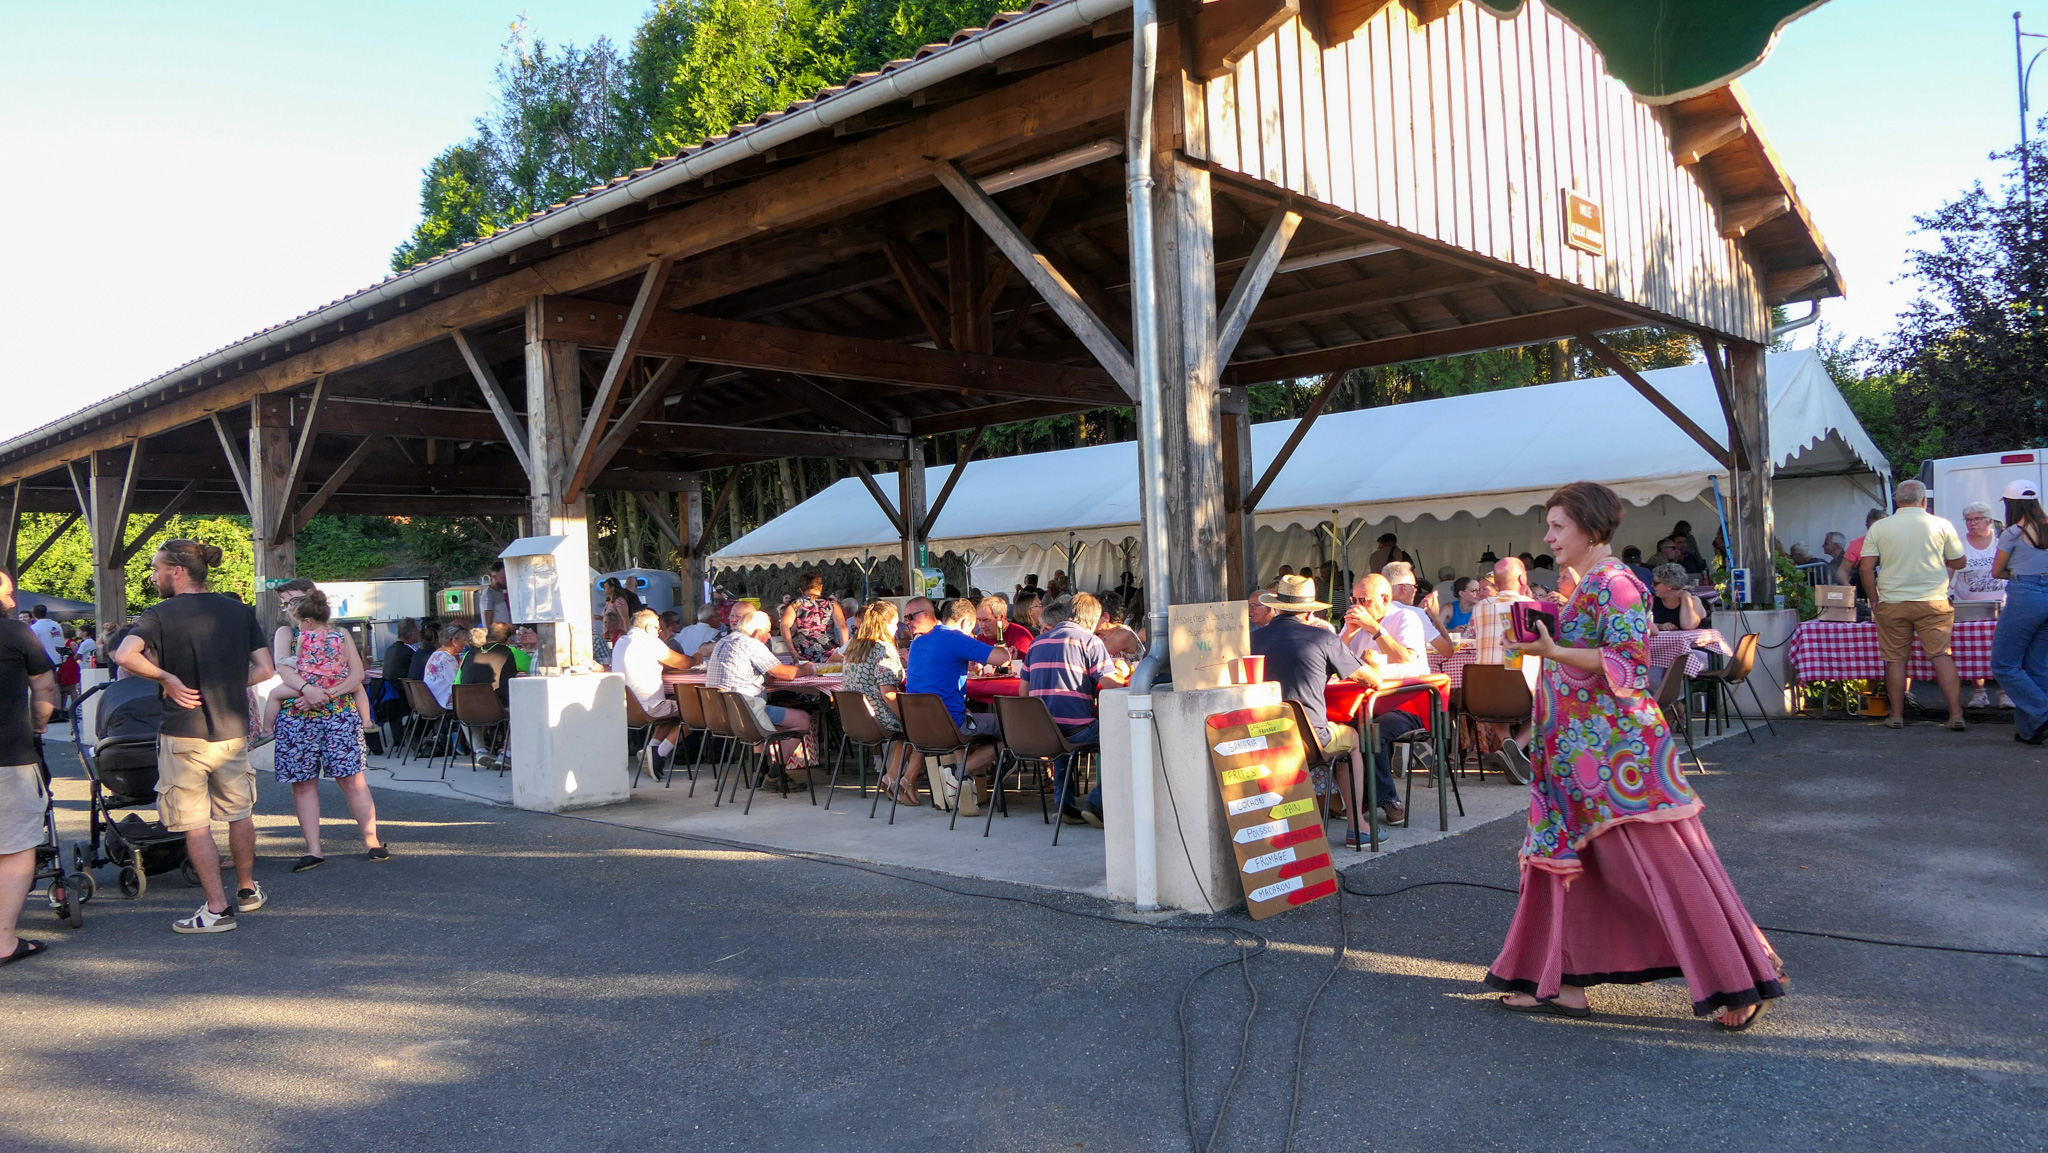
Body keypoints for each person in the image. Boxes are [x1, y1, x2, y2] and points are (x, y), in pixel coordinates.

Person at [1486, 482, 1784, 1028]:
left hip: (1617, 758)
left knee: (1666, 864)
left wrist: (1553, 649)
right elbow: (1587, 657)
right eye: (1549, 525)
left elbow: (1629, 662)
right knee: (1568, 862)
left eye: (1557, 525)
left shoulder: (1617, 583)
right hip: (1578, 755)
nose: (1548, 536)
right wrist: (1553, 637)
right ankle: (1557, 980)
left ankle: (1737, 978)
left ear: (1589, 527)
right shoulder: (1586, 584)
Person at [113, 539, 276, 935]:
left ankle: (217, 909)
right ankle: (247, 889)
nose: (153, 577)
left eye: (155, 569)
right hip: (232, 732)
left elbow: (124, 656)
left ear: (177, 571)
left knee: (196, 822)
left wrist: (167, 678)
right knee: (240, 813)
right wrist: (227, 685)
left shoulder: (159, 614)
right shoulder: (239, 611)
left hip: (182, 733)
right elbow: (266, 668)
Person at [1248, 574, 1405, 843]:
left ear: (1277, 606)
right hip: (1310, 740)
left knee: (1340, 741)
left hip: (1263, 735)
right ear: (1310, 611)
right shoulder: (1322, 637)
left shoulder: (1252, 640)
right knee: (1352, 739)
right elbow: (1373, 680)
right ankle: (1358, 827)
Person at [271, 591, 385, 872]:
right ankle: (314, 849)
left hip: (330, 712)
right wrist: (308, 690)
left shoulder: (340, 634)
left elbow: (356, 675)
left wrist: (324, 694)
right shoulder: (287, 633)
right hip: (304, 714)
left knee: (352, 780)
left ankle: (372, 842)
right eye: (285, 602)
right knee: (304, 783)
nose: (288, 607)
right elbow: (284, 671)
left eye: (292, 601)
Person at [1859, 480, 1967, 730]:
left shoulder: (1879, 527)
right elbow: (1959, 562)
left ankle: (1896, 715)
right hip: (1933, 601)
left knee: (1896, 659)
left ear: (1897, 501)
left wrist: (1874, 599)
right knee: (1941, 656)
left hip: (1892, 601)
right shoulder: (1942, 524)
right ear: (1924, 501)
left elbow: (1866, 567)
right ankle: (1955, 714)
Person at [1025, 593, 1130, 827]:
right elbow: (1111, 684)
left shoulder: (1036, 642)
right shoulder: (1089, 641)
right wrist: (1120, 670)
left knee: (1060, 736)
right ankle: (1096, 802)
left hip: (1043, 732)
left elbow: (1024, 692)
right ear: (1093, 621)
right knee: (1126, 739)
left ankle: (1063, 804)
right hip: (1078, 729)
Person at [904, 597, 1011, 816]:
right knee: (1012, 727)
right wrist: (1005, 652)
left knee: (968, 714)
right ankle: (960, 771)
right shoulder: (955, 638)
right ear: (965, 624)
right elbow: (1002, 659)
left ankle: (962, 782)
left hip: (919, 729)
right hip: (952, 725)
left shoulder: (917, 643)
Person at [0, 568, 58, 965]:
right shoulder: (17, 634)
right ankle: (3, 940)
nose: (11, 594)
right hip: (9, 754)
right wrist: (39, 723)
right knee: (18, 845)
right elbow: (45, 687)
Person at [706, 610, 817, 779]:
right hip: (745, 712)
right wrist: (807, 669)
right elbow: (785, 673)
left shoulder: (724, 641)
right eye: (768, 632)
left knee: (763, 712)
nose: (769, 637)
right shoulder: (751, 644)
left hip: (721, 714)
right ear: (757, 632)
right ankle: (776, 774)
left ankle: (760, 770)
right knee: (802, 719)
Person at [1469, 556, 1539, 777]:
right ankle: (1516, 746)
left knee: (1498, 696)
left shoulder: (1479, 607)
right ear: (1522, 577)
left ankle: (1506, 741)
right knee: (1548, 702)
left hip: (1483, 697)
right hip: (1520, 693)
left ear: (1496, 582)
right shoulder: (1530, 607)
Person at [841, 600, 918, 803]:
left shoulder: (852, 648)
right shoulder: (883, 650)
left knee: (910, 727)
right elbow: (888, 693)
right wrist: (907, 717)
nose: (896, 628)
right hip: (878, 720)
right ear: (885, 624)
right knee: (917, 727)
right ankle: (895, 777)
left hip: (856, 721)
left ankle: (892, 776)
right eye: (895, 624)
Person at [1993, 480, 2048, 743]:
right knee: (2038, 665)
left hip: (2026, 594)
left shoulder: (2012, 533)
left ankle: (2043, 711)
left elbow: (1997, 571)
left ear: (2010, 504)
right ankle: (2031, 731)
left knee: (2004, 664)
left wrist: (2018, 572)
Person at [612, 609, 694, 763]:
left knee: (671, 715)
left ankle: (649, 750)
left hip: (629, 709)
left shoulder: (621, 642)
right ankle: (658, 754)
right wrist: (697, 657)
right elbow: (684, 663)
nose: (659, 632)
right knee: (695, 713)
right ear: (649, 628)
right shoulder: (648, 641)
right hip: (650, 707)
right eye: (657, 629)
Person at [1381, 562, 1455, 657]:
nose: (1416, 590)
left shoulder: (1375, 611)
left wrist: (1418, 609)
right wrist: (1436, 618)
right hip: (1410, 670)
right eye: (1414, 586)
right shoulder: (1415, 614)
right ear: (1404, 588)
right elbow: (1448, 651)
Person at [779, 571, 847, 663]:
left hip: (804, 653)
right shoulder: (832, 604)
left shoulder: (796, 604)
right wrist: (843, 652)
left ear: (801, 590)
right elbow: (842, 627)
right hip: (830, 653)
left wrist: (792, 651)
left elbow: (784, 625)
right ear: (820, 587)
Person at [462, 621, 523, 707]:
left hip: (466, 709)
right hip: (497, 708)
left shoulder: (469, 654)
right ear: (509, 639)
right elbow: (534, 669)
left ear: (486, 638)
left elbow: (459, 682)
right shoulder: (510, 652)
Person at [1649, 564, 1709, 632]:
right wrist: (1660, 626)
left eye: (1655, 583)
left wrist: (1685, 596)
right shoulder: (1653, 601)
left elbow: (1688, 626)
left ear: (1669, 585)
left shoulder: (1694, 601)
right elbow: (1643, 624)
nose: (1652, 585)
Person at [974, 593, 1035, 658]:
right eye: (979, 620)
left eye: (986, 620)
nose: (981, 626)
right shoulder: (980, 639)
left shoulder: (1020, 636)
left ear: (1001, 616)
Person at [423, 625, 466, 710]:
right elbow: (458, 684)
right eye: (464, 640)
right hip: (442, 701)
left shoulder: (436, 654)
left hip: (431, 698)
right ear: (455, 641)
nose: (466, 643)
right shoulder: (447, 659)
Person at [1840, 508, 1886, 584]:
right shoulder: (1857, 544)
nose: (1877, 532)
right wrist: (1846, 585)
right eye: (1873, 528)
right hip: (1862, 590)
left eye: (1881, 528)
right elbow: (1843, 571)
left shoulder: (1895, 542)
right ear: (1867, 527)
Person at [1096, 591, 1144, 660]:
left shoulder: (1123, 633)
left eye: (1092, 614)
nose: (1088, 618)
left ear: (1106, 617)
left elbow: (1094, 654)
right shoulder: (1101, 635)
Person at [481, 560, 511, 630]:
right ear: (495, 577)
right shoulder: (488, 594)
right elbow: (488, 623)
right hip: (498, 635)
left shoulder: (500, 590)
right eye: (504, 578)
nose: (506, 580)